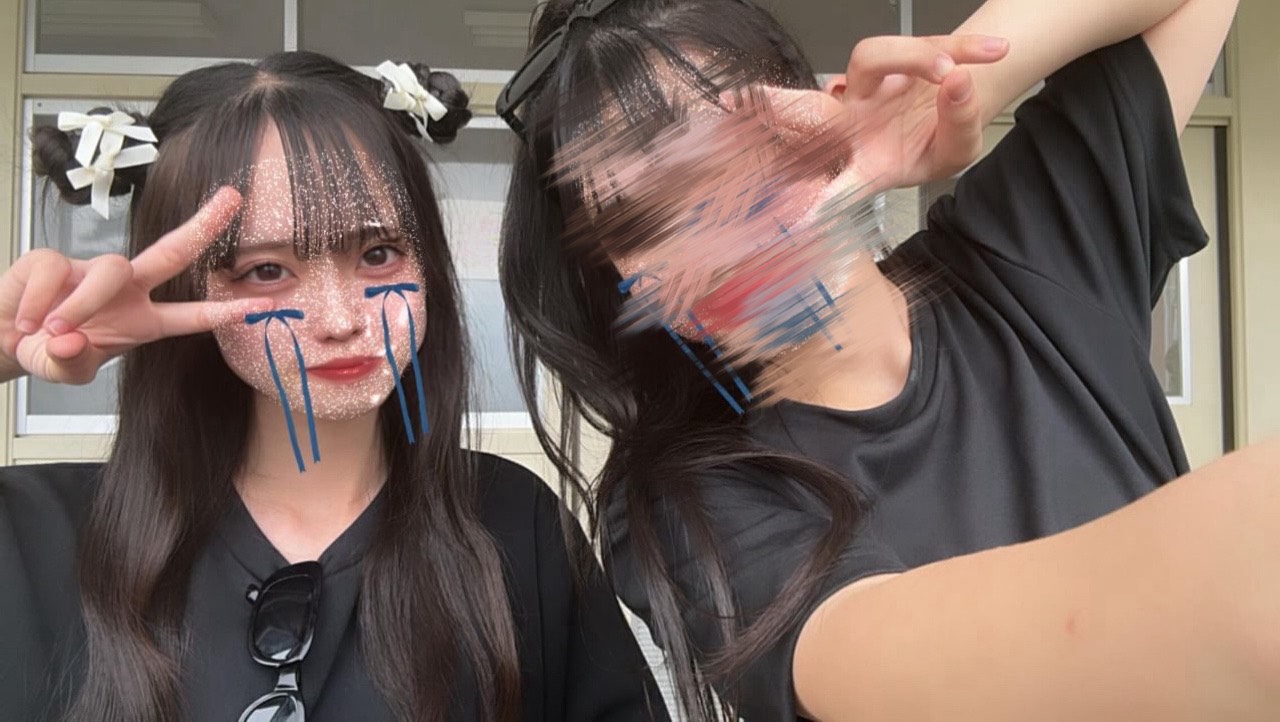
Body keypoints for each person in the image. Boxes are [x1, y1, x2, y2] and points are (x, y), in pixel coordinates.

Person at [495, 0, 1278, 720]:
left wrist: (961, 78)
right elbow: (865, 659)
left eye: (728, 143)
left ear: (816, 112)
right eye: (639, 220)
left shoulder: (1024, 250)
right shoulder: (683, 501)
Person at [0, 51, 666, 722]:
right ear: (181, 287)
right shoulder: (38, 536)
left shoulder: (514, 524)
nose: (341, 319)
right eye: (266, 270)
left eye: (377, 254)